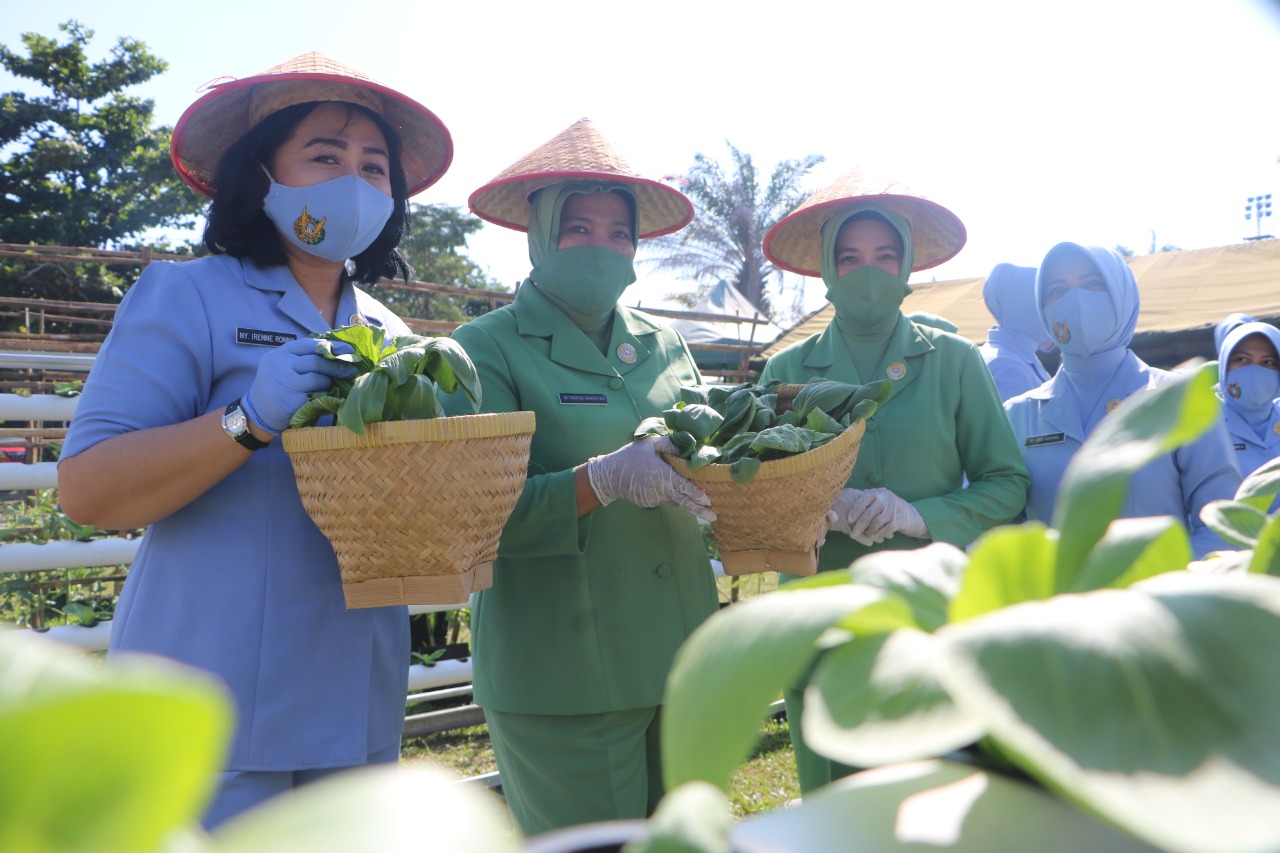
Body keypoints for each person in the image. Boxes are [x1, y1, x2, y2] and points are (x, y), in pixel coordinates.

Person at [56, 52, 453, 828]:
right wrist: (248, 420)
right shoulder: (187, 294)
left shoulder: (394, 336)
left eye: (375, 168)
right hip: (210, 700)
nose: (356, 180)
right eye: (325, 156)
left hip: (354, 701)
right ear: (261, 175)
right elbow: (89, 491)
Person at [438, 119, 720, 835]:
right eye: (579, 229)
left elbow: (713, 451)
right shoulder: (482, 350)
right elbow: (469, 514)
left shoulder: (663, 343)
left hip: (683, 660)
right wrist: (600, 479)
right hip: (564, 677)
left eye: (620, 233)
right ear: (538, 236)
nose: (603, 248)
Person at [759, 168, 1030, 793]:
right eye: (850, 258)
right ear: (827, 269)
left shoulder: (953, 361)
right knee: (835, 809)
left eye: (886, 256)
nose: (869, 272)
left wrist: (920, 515)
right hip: (818, 617)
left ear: (908, 264)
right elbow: (752, 488)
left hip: (927, 622)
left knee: (925, 805)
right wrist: (817, 505)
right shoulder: (786, 370)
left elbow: (1006, 482)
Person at [1004, 242, 1241, 557]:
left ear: (1122, 295)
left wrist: (1164, 588)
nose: (1076, 301)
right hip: (1057, 603)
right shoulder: (1017, 414)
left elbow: (1220, 525)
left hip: (1158, 600)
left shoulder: (1180, 399)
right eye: (1057, 291)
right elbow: (1004, 528)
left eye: (1092, 285)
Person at [1217, 320, 1280, 501]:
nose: (1254, 371)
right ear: (1224, 367)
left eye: (1268, 362)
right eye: (1242, 360)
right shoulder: (1205, 428)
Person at [978, 262, 1056, 401]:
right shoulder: (1007, 367)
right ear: (1026, 305)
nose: (1051, 309)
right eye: (1044, 298)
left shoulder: (1013, 355)